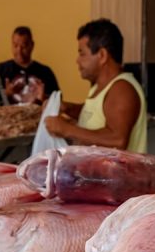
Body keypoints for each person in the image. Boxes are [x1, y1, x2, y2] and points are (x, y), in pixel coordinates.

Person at [45, 18, 147, 153]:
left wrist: (67, 130)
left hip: (119, 175)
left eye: (82, 53)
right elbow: (94, 113)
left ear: (102, 55)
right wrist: (67, 108)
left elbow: (118, 140)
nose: (77, 60)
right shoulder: (99, 86)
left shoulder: (122, 89)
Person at [0, 26, 59, 105]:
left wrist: (43, 97)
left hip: (37, 116)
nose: (19, 50)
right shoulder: (0, 70)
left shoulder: (45, 72)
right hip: (9, 116)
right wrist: (6, 93)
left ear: (32, 45)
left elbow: (58, 102)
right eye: (15, 45)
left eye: (23, 46)